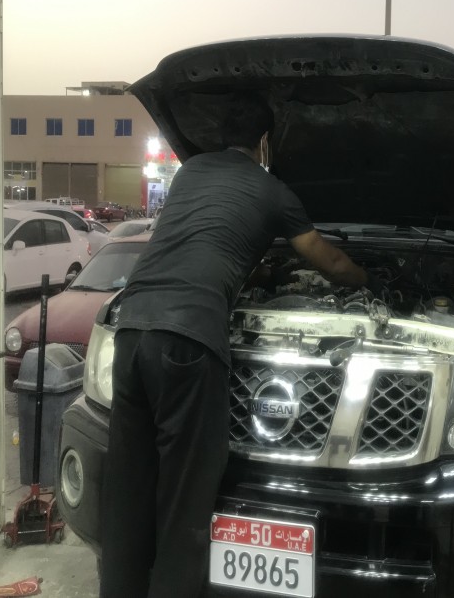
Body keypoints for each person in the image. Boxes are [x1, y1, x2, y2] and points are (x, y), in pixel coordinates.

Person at [99, 92, 371, 598]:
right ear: (265, 143)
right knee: (185, 501)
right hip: (187, 341)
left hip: (131, 330)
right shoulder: (273, 192)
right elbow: (331, 263)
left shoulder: (189, 172)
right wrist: (367, 279)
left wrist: (257, 272)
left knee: (128, 491)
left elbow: (205, 238)